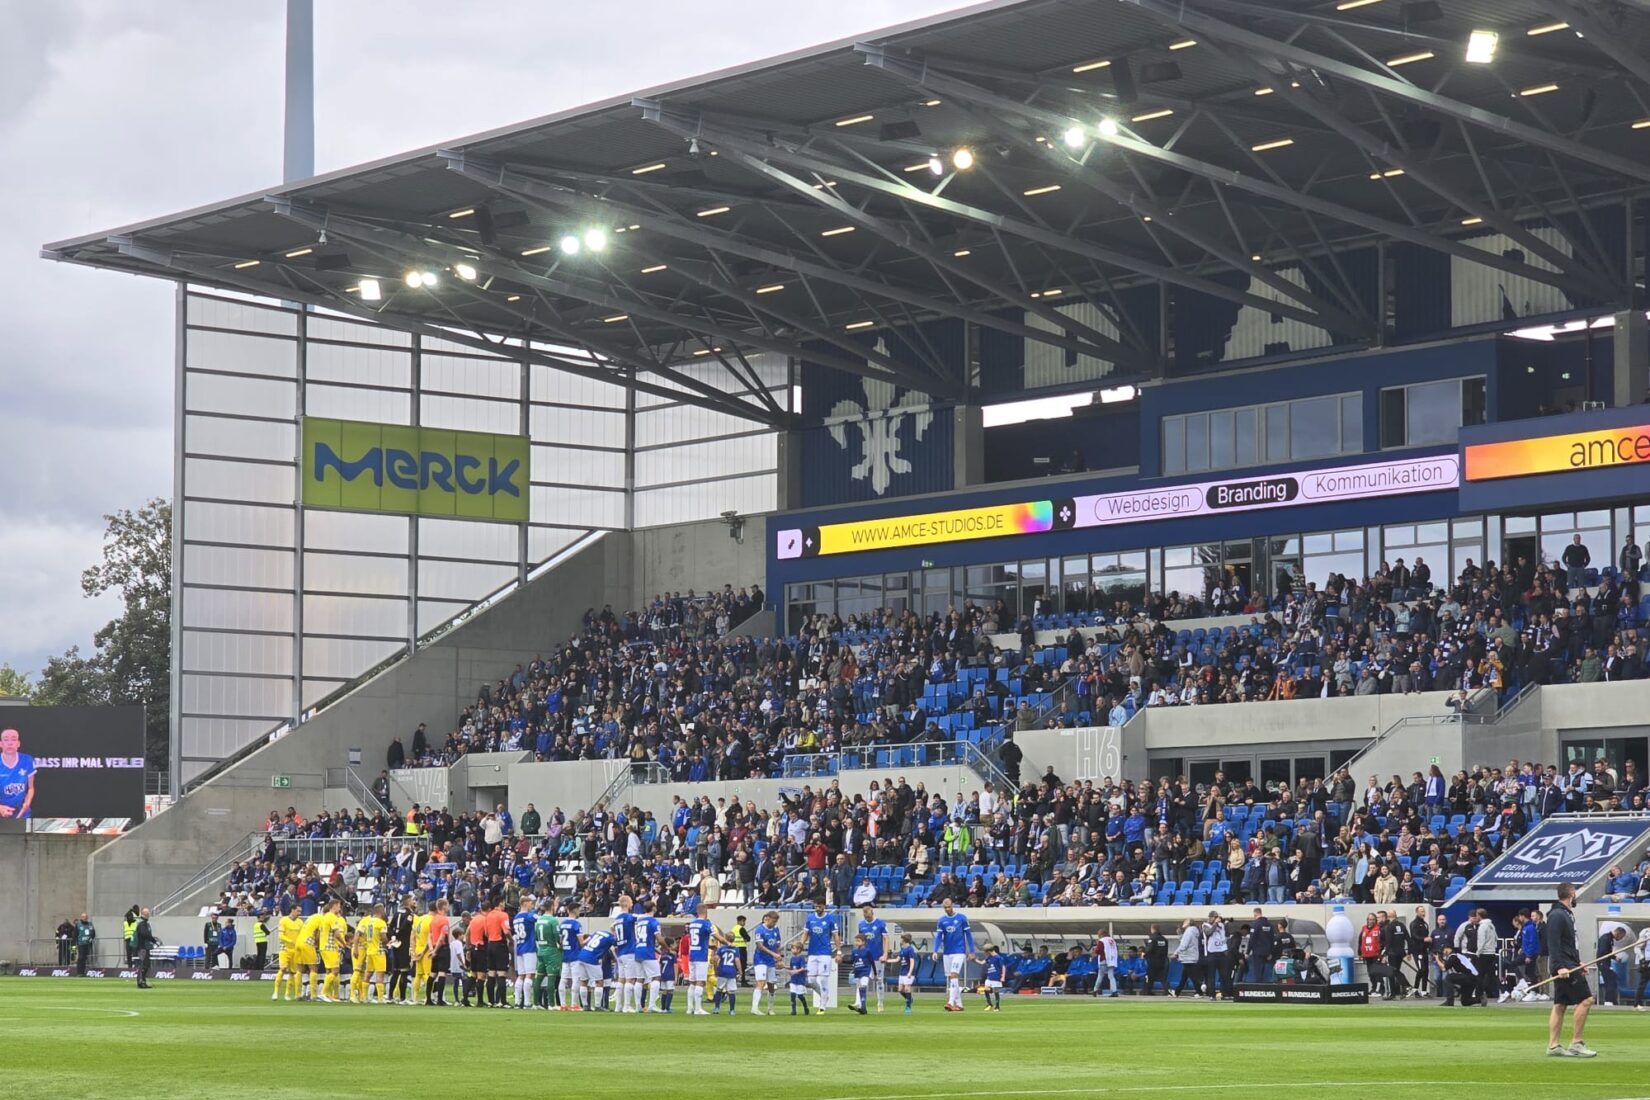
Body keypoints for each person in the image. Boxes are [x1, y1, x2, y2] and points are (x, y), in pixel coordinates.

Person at [1545, 882, 1597, 1056]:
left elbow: (1568, 944)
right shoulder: (1558, 915)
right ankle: (1576, 1042)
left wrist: (1578, 962)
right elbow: (1553, 943)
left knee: (1560, 1004)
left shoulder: (1566, 914)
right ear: (1572, 893)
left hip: (1569, 963)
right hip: (1564, 966)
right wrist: (1560, 967)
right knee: (1586, 1000)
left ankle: (1553, 1046)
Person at [932, 897, 975, 1012]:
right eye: (945, 907)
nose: (947, 909)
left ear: (953, 905)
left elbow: (969, 935)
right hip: (947, 952)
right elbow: (938, 937)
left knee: (953, 975)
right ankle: (959, 1004)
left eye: (949, 907)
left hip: (959, 952)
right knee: (951, 978)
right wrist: (935, 950)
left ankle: (950, 1002)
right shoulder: (941, 921)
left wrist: (972, 951)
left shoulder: (961, 918)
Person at [684, 909, 719, 1016]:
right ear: (705, 913)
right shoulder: (706, 924)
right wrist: (727, 942)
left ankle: (690, 1008)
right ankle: (698, 1009)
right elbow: (716, 935)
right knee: (700, 982)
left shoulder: (692, 924)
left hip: (692, 955)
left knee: (692, 982)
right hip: (701, 956)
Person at [858, 903, 889, 1013]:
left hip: (878, 957)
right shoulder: (861, 924)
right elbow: (860, 941)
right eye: (865, 916)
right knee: (862, 980)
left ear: (872, 913)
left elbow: (886, 939)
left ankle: (880, 1003)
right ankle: (861, 1003)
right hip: (865, 957)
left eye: (869, 916)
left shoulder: (880, 923)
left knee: (879, 980)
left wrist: (885, 954)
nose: (867, 918)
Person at [750, 910, 783, 1017]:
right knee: (761, 982)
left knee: (771, 985)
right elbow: (760, 946)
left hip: (770, 961)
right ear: (767, 918)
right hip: (760, 959)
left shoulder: (776, 930)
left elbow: (777, 945)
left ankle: (770, 1008)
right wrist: (773, 954)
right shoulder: (760, 929)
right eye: (773, 921)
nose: (774, 924)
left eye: (775, 922)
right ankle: (754, 1008)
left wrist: (779, 958)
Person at [0, 728, 36, 820]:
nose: (10, 743)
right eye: (6, 739)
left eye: (13, 739)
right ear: (1, 744)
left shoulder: (27, 760)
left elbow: (31, 788)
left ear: (18, 743)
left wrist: (27, 803)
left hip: (21, 813)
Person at [633, 900, 662, 1013]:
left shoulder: (640, 921)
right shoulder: (653, 921)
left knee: (639, 979)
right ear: (653, 908)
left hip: (638, 950)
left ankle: (637, 1006)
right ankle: (652, 1005)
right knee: (656, 977)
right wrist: (666, 948)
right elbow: (659, 938)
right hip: (648, 953)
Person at [273, 902, 304, 1001]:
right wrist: (290, 941)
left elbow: (302, 935)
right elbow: (280, 935)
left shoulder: (300, 922)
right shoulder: (284, 920)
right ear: (292, 910)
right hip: (285, 949)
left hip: (295, 950)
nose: (299, 913)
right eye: (298, 911)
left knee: (292, 972)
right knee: (283, 968)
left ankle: (287, 994)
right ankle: (276, 992)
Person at [511, 898, 538, 1010]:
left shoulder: (516, 917)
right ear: (525, 903)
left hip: (520, 948)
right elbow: (541, 919)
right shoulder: (528, 916)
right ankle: (527, 1002)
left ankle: (517, 1002)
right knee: (529, 974)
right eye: (531, 903)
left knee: (521, 975)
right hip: (529, 947)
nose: (532, 905)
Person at [557, 900, 584, 1011]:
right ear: (575, 910)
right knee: (575, 980)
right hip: (575, 955)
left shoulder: (562, 924)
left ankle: (563, 1004)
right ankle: (573, 1004)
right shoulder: (577, 924)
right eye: (579, 910)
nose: (580, 912)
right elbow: (581, 942)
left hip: (565, 955)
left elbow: (560, 941)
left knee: (563, 980)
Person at [1173, 918, 1203, 998]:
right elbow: (1184, 940)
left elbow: (1184, 945)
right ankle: (1177, 992)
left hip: (1188, 957)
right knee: (1184, 977)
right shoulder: (1192, 931)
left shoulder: (1189, 931)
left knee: (1193, 977)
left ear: (1189, 923)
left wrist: (1176, 953)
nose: (1183, 922)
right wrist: (1179, 934)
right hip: (1190, 956)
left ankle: (1200, 991)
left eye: (1185, 921)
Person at [711, 940, 742, 1015]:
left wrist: (715, 969)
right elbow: (737, 960)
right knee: (731, 991)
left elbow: (715, 959)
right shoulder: (736, 949)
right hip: (731, 971)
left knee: (719, 989)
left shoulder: (721, 948)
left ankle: (717, 1008)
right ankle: (732, 1010)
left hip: (722, 971)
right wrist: (740, 971)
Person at [132, 907, 158, 989]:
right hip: (143, 947)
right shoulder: (142, 923)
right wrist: (153, 940)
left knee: (145, 965)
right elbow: (144, 934)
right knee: (144, 965)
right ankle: (141, 982)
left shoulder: (143, 923)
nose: (148, 915)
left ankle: (142, 981)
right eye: (147, 913)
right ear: (145, 914)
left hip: (144, 947)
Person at [980, 944, 1007, 1012]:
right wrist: (974, 959)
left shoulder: (998, 957)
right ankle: (989, 1004)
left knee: (995, 991)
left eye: (985, 952)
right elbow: (982, 962)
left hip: (996, 977)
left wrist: (1003, 976)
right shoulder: (989, 957)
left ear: (988, 951)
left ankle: (997, 1006)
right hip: (989, 976)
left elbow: (1003, 967)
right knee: (986, 989)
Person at [896, 931, 918, 1014]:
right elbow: (897, 959)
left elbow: (912, 962)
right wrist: (886, 960)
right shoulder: (902, 949)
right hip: (902, 972)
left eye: (901, 938)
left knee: (907, 988)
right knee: (900, 990)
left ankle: (908, 1007)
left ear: (904, 940)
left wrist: (910, 972)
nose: (900, 940)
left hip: (908, 972)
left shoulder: (910, 949)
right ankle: (909, 999)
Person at [788, 948, 812, 1015]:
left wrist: (795, 971)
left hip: (800, 979)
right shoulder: (792, 958)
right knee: (792, 994)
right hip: (793, 979)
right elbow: (791, 967)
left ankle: (805, 1007)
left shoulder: (801, 958)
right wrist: (785, 967)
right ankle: (793, 1010)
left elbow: (803, 968)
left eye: (793, 948)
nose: (792, 950)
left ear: (798, 950)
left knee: (800, 995)